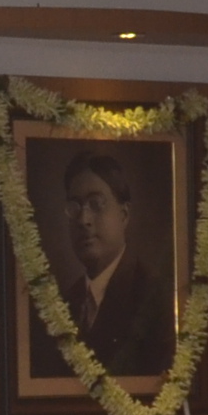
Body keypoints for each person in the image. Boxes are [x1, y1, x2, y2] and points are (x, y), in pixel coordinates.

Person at [30, 147, 174, 380]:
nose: (83, 220)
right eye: (75, 207)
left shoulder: (154, 299)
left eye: (96, 204)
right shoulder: (65, 303)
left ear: (124, 215)